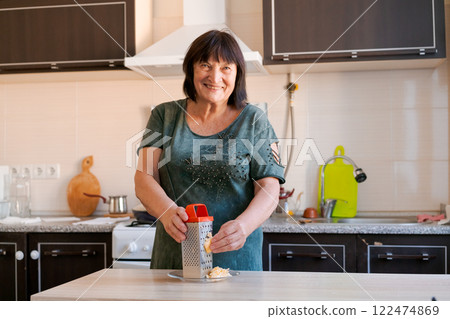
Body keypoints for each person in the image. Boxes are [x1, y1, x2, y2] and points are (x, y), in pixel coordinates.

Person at [135, 29, 285, 271]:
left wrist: (243, 226)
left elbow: (270, 187)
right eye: (205, 64)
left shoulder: (255, 121)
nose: (215, 77)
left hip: (237, 262)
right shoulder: (163, 116)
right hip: (174, 261)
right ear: (191, 69)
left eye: (226, 67)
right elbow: (144, 177)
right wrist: (167, 211)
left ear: (238, 74)